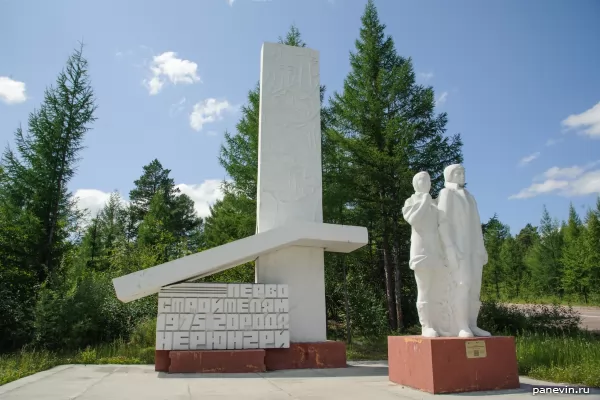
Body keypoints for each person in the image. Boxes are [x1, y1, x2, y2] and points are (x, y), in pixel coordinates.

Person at [437, 164, 491, 338]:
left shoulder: (470, 196)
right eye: (457, 172)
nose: (461, 175)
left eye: (463, 172)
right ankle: (461, 325)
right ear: (449, 175)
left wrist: (482, 247)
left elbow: (476, 224)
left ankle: (472, 323)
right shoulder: (446, 193)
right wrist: (449, 248)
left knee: (475, 287)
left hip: (473, 248)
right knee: (462, 285)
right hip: (458, 248)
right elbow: (442, 222)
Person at [402, 171, 447, 337]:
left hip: (438, 250)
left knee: (440, 288)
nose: (426, 182)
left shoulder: (436, 204)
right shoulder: (411, 201)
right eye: (421, 179)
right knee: (425, 288)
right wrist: (424, 203)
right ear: (415, 183)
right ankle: (426, 325)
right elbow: (413, 220)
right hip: (421, 250)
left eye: (428, 179)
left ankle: (442, 323)